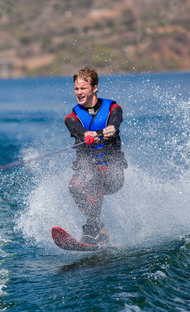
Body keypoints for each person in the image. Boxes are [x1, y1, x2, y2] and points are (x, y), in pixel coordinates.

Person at [64, 66, 127, 245]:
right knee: (74, 186)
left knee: (94, 174)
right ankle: (100, 226)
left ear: (94, 88)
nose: (79, 92)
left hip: (113, 174)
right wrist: (85, 133)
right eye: (76, 88)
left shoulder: (113, 108)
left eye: (83, 88)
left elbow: (117, 119)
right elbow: (74, 127)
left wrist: (112, 128)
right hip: (90, 173)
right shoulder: (72, 117)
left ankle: (91, 228)